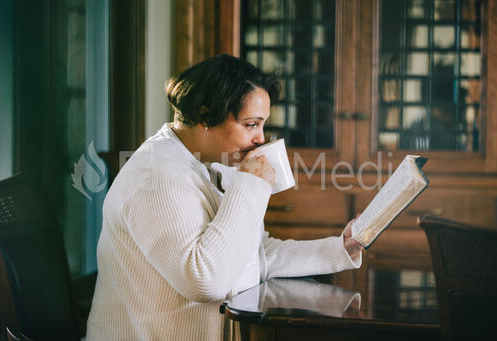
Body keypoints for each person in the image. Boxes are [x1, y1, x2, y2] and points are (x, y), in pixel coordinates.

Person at [86, 54, 363, 340]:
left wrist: (341, 249)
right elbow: (204, 281)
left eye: (263, 125)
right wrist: (250, 184)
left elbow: (253, 255)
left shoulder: (213, 162)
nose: (260, 138)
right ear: (206, 117)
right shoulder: (155, 178)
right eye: (251, 124)